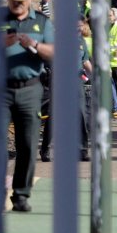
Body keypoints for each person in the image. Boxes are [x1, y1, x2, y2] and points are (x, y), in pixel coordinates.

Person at [2, 0, 54, 213]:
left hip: (30, 89)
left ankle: (21, 194)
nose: (17, 6)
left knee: (27, 144)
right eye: (13, 1)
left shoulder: (42, 23)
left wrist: (33, 44)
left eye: (21, 2)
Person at [40, 16, 92, 163]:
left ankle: (82, 150)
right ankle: (45, 149)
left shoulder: (81, 41)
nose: (78, 29)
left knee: (81, 114)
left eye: (80, 26)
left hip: (76, 80)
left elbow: (85, 61)